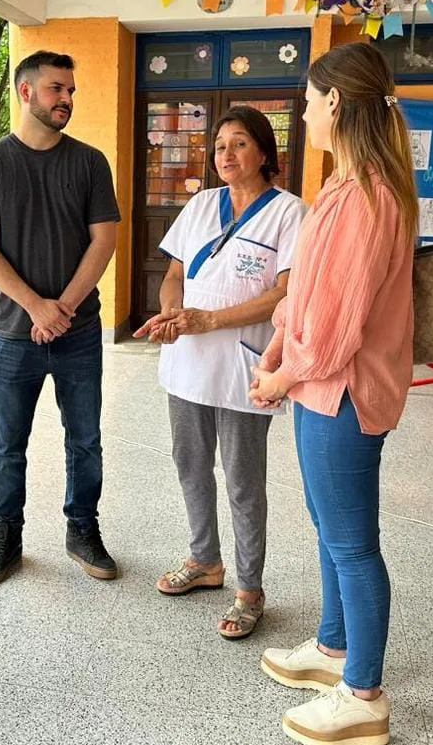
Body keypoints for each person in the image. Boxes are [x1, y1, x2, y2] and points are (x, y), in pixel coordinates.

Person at [249, 42, 418, 745]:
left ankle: (364, 694)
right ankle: (330, 647)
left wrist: (283, 373)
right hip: (321, 390)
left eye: (310, 100)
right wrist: (277, 345)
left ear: (336, 104)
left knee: (352, 544)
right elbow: (309, 299)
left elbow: (337, 327)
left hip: (340, 393)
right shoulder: (349, 189)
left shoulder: (366, 197)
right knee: (330, 529)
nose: (304, 112)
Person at [134, 107, 305, 639]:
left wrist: (209, 319)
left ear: (263, 152)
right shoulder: (202, 205)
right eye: (219, 145)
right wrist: (171, 312)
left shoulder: (290, 213)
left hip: (245, 366)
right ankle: (205, 561)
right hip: (187, 364)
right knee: (190, 465)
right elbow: (175, 274)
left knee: (243, 482)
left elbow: (284, 292)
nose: (225, 155)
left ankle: (250, 589)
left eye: (238, 144)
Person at [0, 50, 120, 587]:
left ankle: (83, 528)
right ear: (25, 92)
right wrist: (35, 306)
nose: (67, 100)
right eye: (57, 89)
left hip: (78, 332)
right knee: (8, 442)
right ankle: (5, 535)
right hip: (13, 333)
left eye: (71, 91)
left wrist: (63, 309)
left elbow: (105, 240)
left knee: (85, 440)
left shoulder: (90, 162)